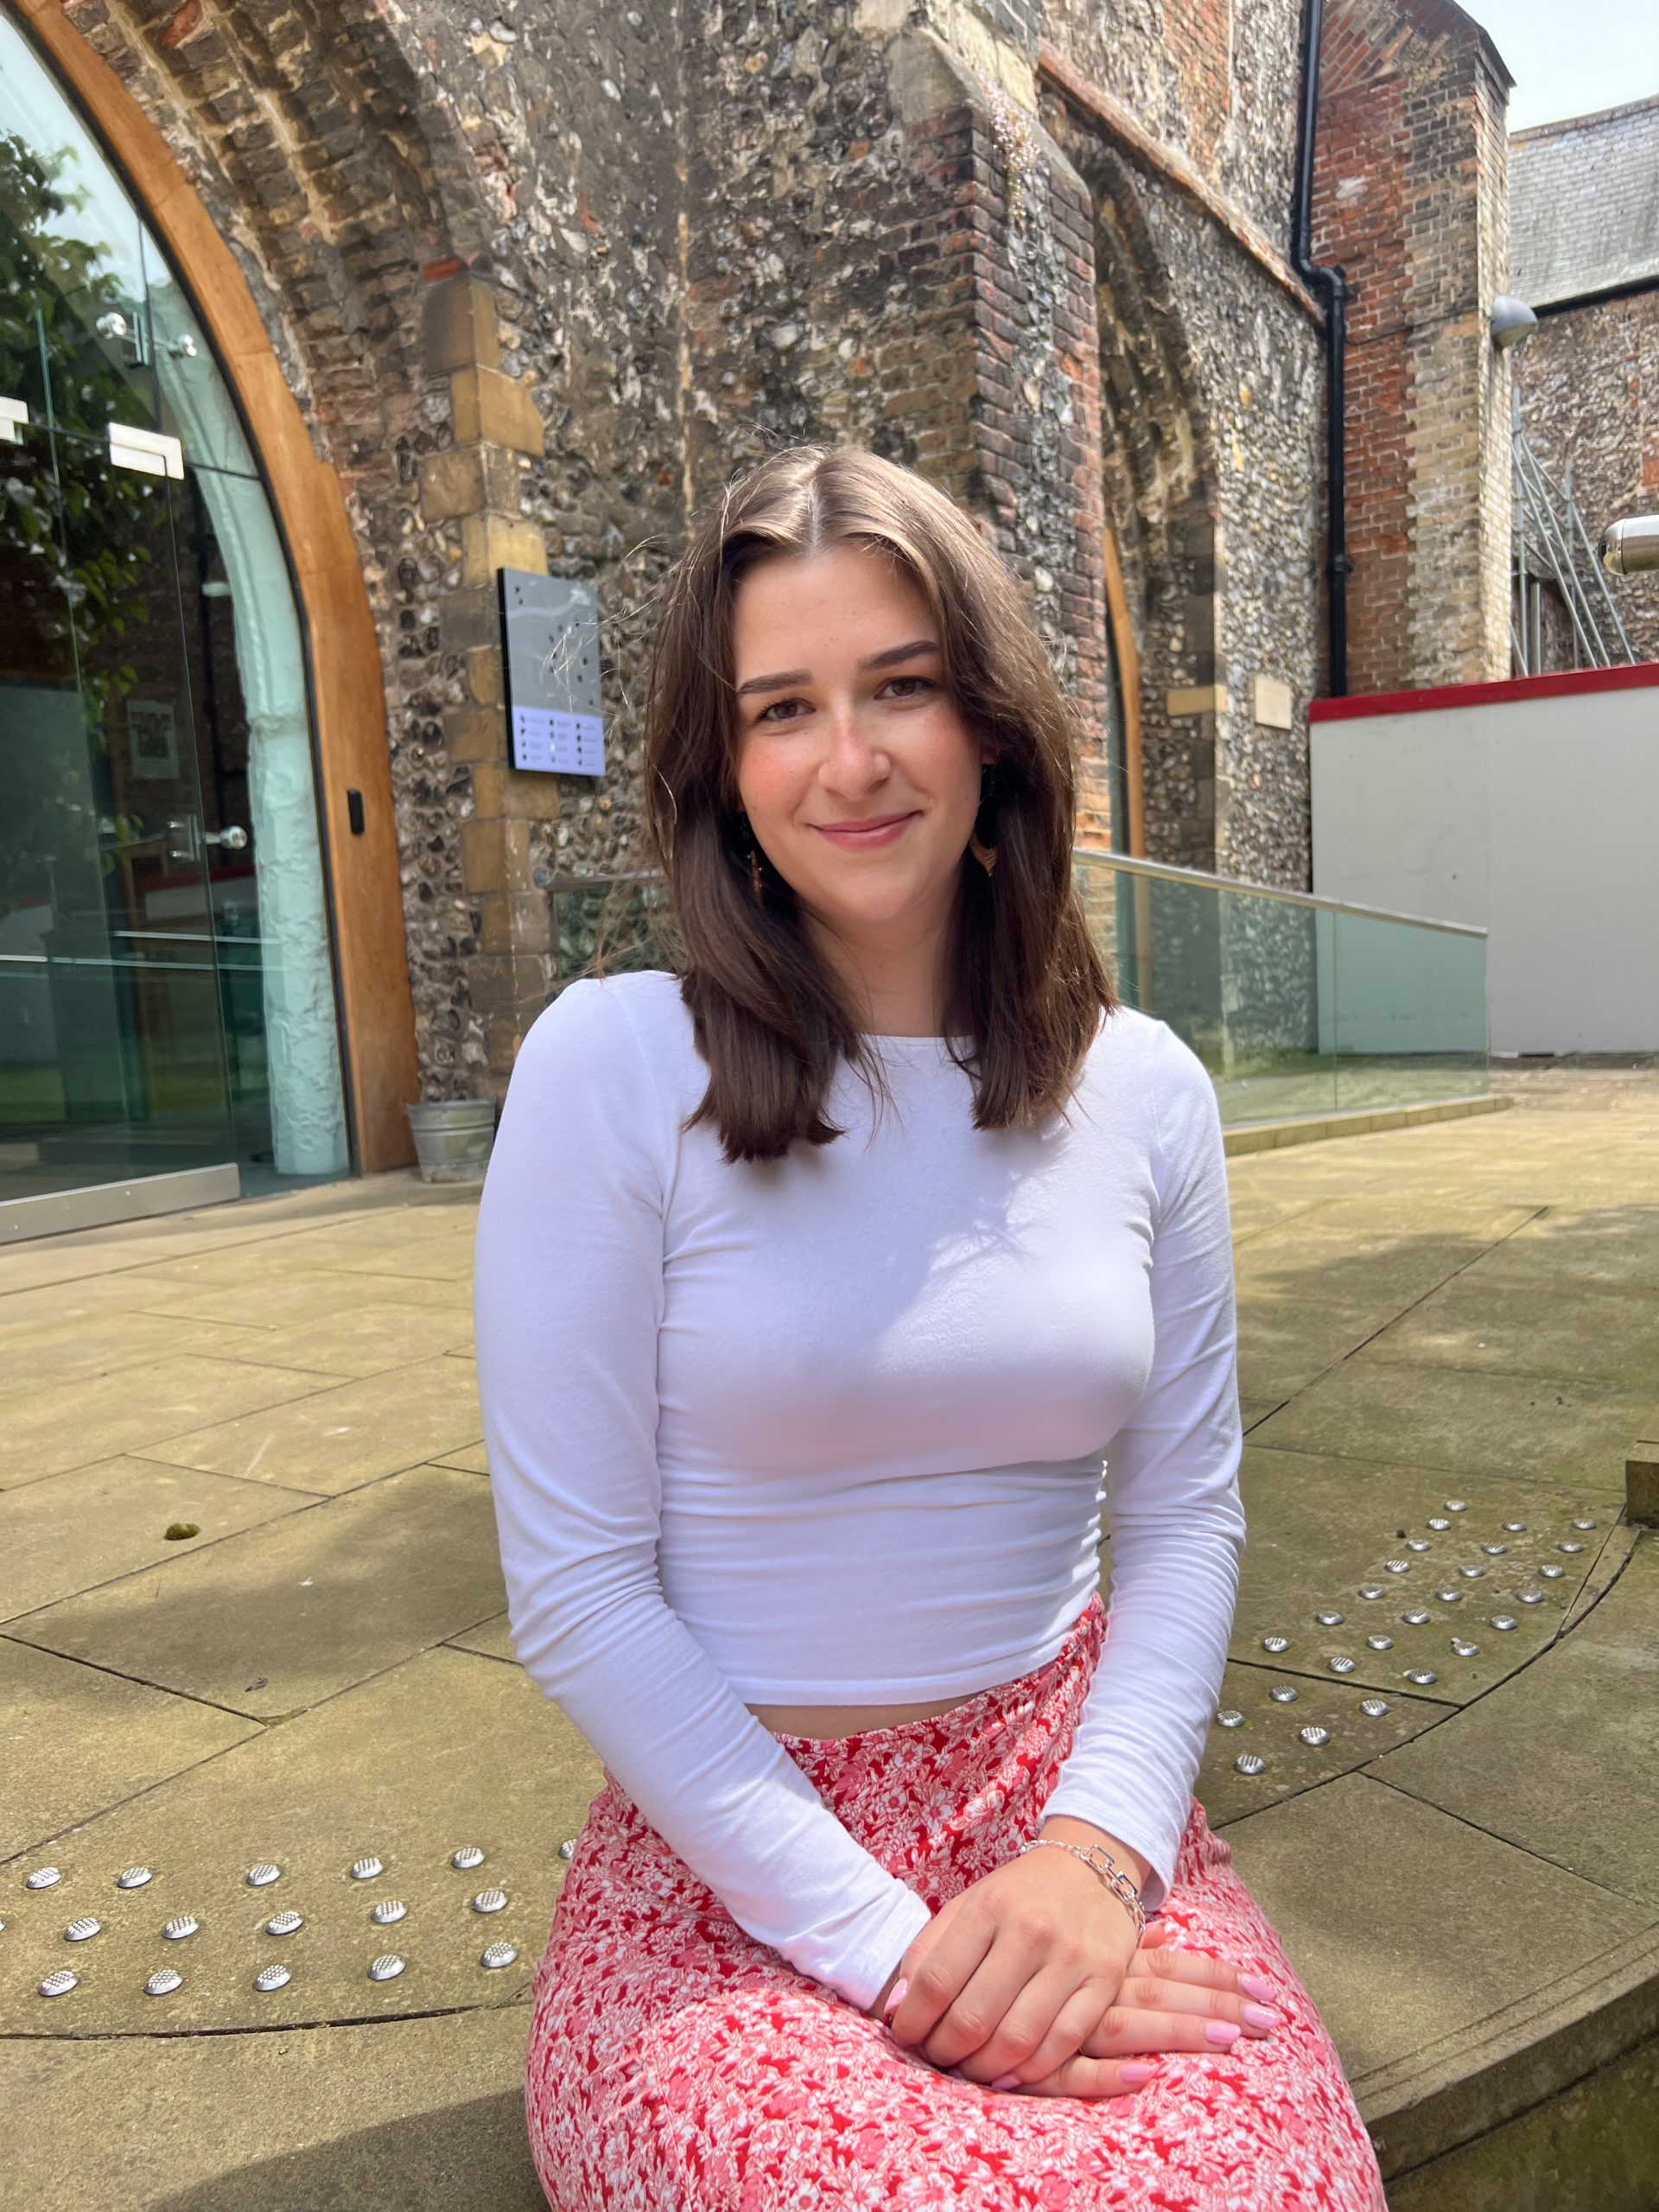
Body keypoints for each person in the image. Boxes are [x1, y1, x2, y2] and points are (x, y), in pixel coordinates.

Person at [473, 445, 1387, 2209]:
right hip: (731, 1878)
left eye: (902, 685)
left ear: (993, 721)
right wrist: (903, 1954)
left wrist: (1096, 1857)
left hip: (1075, 1819)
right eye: (783, 708)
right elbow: (579, 1592)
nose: (852, 758)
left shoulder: (1146, 1090)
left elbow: (1185, 1516)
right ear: (723, 769)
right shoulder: (612, 1067)